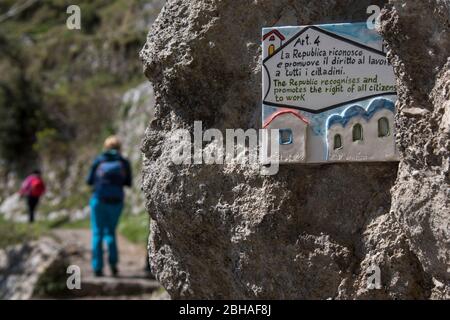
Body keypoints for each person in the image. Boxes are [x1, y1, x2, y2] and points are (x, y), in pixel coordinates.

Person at [87, 136, 132, 277]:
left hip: (99, 200)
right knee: (110, 232)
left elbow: (89, 181)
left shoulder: (99, 160)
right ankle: (113, 265)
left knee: (97, 233)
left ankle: (97, 268)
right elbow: (128, 182)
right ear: (119, 147)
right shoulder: (124, 162)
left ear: (106, 147)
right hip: (116, 201)